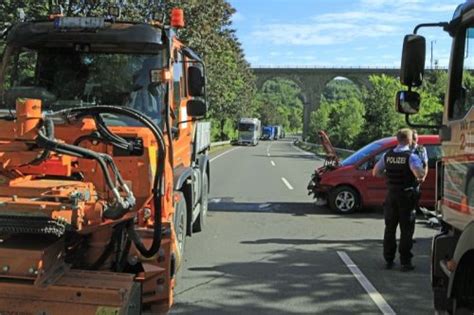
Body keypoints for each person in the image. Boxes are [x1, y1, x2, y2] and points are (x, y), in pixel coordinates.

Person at [372, 128, 426, 272]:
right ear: (409, 140)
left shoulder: (387, 155)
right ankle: (405, 262)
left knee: (390, 228)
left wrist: (389, 177)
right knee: (406, 230)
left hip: (391, 196)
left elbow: (376, 172)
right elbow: (419, 174)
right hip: (406, 197)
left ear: (398, 139)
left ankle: (388, 259)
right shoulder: (411, 157)